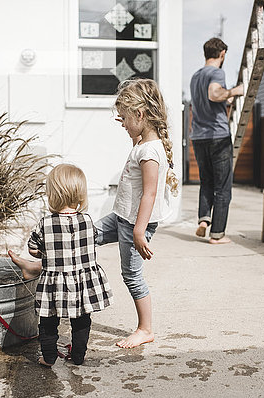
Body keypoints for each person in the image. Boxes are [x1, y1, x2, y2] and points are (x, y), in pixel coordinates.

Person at [10, 78, 178, 349]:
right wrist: (133, 129)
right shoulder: (142, 142)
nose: (121, 123)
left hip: (134, 224)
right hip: (121, 217)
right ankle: (37, 267)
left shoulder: (149, 152)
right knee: (78, 236)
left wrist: (138, 231)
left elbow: (149, 194)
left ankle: (146, 328)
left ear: (141, 114)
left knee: (132, 276)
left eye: (124, 118)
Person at [16, 163, 113, 367]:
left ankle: (49, 357)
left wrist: (45, 251)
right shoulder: (87, 220)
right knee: (81, 320)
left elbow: (33, 248)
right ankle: (78, 356)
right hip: (82, 282)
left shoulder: (46, 223)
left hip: (55, 283)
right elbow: (91, 241)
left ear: (52, 193)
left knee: (49, 321)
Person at [190, 37, 243, 244]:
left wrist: (227, 97)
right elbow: (214, 94)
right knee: (222, 186)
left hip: (198, 136)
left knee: (206, 182)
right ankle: (217, 234)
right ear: (222, 54)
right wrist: (236, 91)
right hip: (217, 136)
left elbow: (210, 98)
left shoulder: (195, 76)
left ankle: (204, 220)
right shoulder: (217, 72)